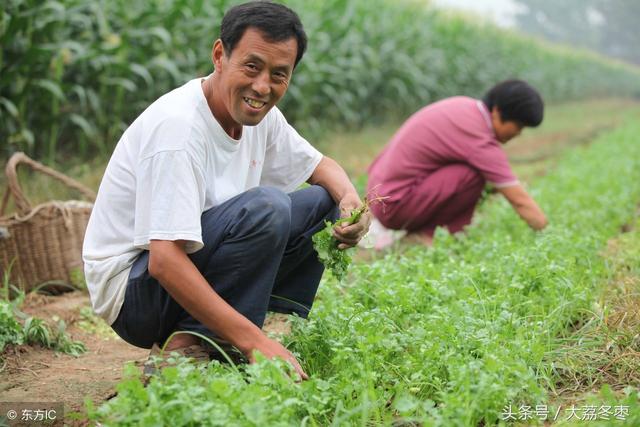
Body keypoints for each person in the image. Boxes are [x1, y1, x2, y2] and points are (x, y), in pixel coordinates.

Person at [82, 1, 370, 380]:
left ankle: (233, 332)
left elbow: (321, 167)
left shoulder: (259, 116)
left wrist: (352, 202)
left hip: (182, 265)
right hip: (133, 294)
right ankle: (188, 347)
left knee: (322, 202)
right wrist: (255, 342)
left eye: (279, 74)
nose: (262, 86)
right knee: (267, 206)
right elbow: (164, 260)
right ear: (220, 55)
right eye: (252, 66)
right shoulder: (179, 129)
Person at [366, 80, 547, 246]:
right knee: (474, 176)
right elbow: (519, 200)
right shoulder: (479, 138)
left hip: (380, 195)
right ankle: (427, 237)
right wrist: (549, 235)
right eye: (519, 126)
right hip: (393, 206)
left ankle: (428, 232)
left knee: (486, 179)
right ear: (498, 112)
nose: (519, 133)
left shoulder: (464, 107)